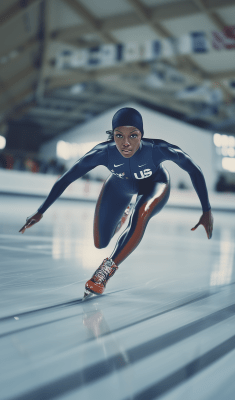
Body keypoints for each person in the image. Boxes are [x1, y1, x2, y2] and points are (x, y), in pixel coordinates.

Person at [19, 107, 214, 299]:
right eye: (119, 136)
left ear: (142, 135)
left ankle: (104, 272)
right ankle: (123, 215)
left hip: (155, 185)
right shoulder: (103, 152)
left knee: (141, 214)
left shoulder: (157, 149)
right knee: (100, 242)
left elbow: (194, 170)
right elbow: (66, 179)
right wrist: (40, 211)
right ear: (112, 135)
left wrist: (206, 210)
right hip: (120, 186)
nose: (126, 143)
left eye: (133, 136)